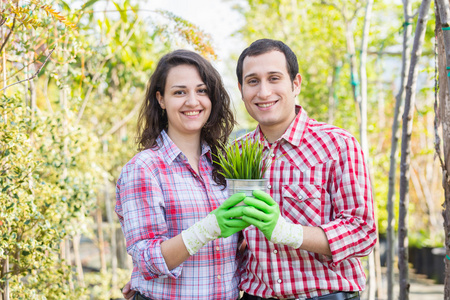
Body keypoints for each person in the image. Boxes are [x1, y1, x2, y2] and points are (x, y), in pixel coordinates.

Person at [236, 39, 377, 300]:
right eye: (253, 81)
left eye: (274, 78)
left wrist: (287, 232)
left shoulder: (337, 145)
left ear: (296, 83)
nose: (264, 92)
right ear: (241, 89)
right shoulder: (237, 153)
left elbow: (362, 232)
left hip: (325, 295)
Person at [115, 49, 250, 300]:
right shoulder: (144, 168)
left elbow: (234, 248)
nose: (192, 101)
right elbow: (146, 259)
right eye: (179, 92)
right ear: (161, 99)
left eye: (201, 91)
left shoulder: (223, 165)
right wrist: (208, 227)